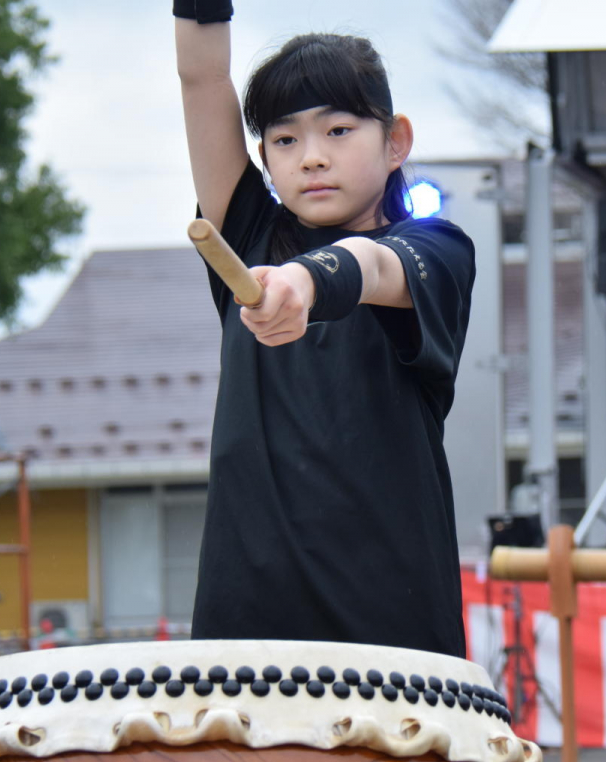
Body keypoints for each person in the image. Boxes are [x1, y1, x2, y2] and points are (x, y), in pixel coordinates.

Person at [174, 1, 473, 657]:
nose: (311, 157)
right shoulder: (247, 235)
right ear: (264, 157)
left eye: (338, 130)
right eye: (285, 140)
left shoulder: (438, 250)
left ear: (395, 141)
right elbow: (202, 79)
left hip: (392, 621)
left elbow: (372, 265)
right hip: (245, 616)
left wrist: (304, 281)